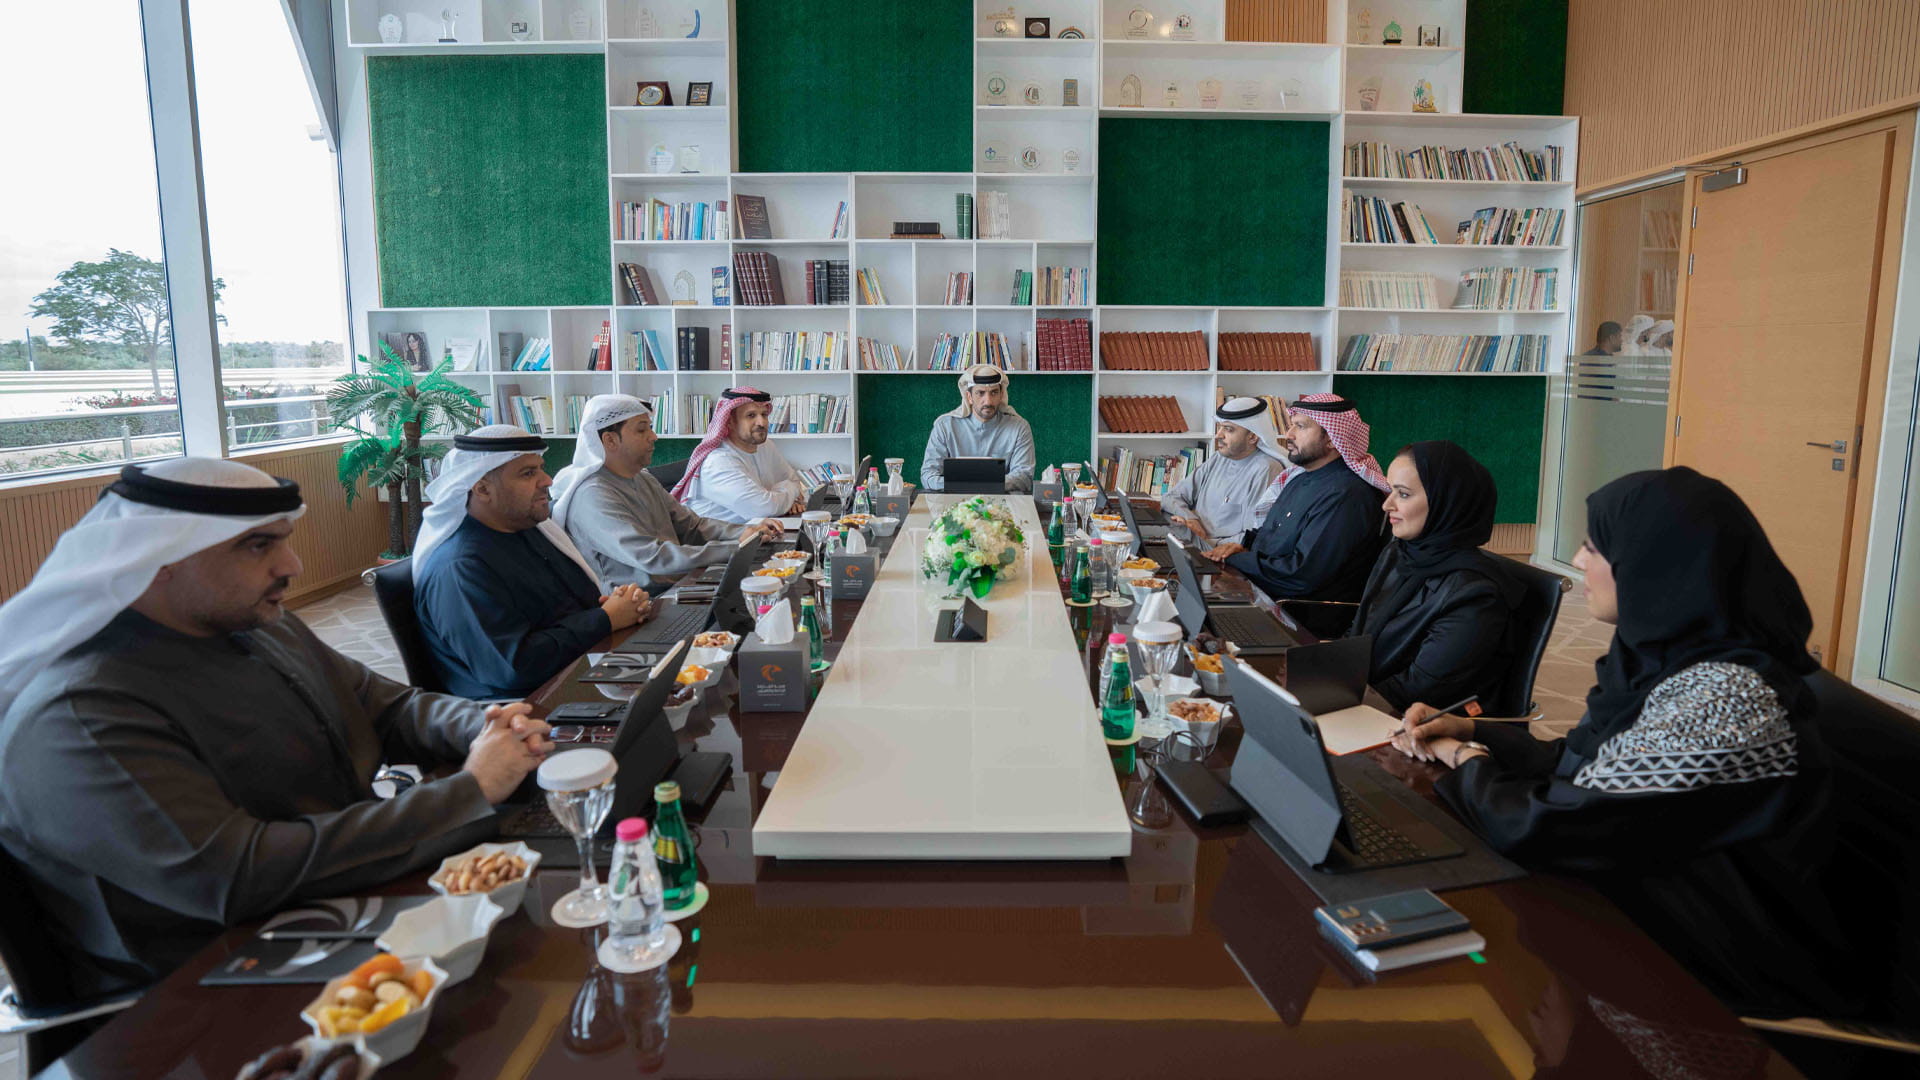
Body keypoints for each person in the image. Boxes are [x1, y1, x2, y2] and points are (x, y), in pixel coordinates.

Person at [0, 458, 552, 997]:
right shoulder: (81, 711)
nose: (292, 565)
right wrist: (470, 790)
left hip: (341, 897)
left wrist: (487, 725)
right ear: (161, 558)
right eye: (258, 545)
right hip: (211, 987)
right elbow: (238, 873)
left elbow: (384, 703)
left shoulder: (257, 625)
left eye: (283, 540)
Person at [1392, 467, 1859, 1019]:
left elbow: (1548, 825)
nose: (1578, 560)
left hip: (1704, 981)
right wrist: (1473, 730)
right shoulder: (1659, 655)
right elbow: (1584, 764)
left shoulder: (1728, 697)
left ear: (1656, 562)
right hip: (1636, 900)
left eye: (1595, 547)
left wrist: (1464, 759)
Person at [414, 426, 649, 699]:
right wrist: (605, 619)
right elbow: (515, 667)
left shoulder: (528, 530)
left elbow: (580, 605)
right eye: (528, 473)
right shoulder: (460, 568)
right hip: (524, 708)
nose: (547, 480)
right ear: (483, 489)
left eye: (541, 469)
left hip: (581, 674)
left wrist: (619, 605)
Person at [1348, 441, 1523, 712]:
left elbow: (1416, 691)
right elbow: (1360, 630)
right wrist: (1319, 673)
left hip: (1407, 722)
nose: (1386, 505)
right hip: (1364, 694)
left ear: (1447, 502)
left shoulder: (1475, 595)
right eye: (1390, 491)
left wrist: (1333, 696)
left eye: (1403, 494)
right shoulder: (1399, 553)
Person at [553, 394, 780, 591]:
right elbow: (654, 557)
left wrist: (744, 532)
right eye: (642, 429)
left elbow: (692, 526)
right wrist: (737, 548)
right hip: (644, 605)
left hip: (680, 584)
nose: (653, 436)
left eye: (650, 428)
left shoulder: (642, 478)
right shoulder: (592, 495)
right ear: (610, 440)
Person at [1205, 394, 1387, 603]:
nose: (1289, 434)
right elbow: (1272, 535)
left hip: (1298, 611)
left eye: (1300, 426)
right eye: (1291, 425)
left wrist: (1236, 559)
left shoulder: (1348, 494)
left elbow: (1300, 576)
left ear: (1331, 438)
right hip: (1263, 590)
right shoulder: (1299, 478)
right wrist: (1239, 546)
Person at [1159, 397, 1293, 547]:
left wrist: (1204, 542)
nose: (1219, 435)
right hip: (1193, 542)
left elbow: (1251, 535)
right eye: (1220, 427)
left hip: (1221, 552)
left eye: (1228, 429)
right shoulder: (1218, 458)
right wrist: (1191, 519)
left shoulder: (1266, 469)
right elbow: (1171, 497)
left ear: (1253, 437)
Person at [674, 387, 807, 523]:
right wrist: (789, 493)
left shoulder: (765, 446)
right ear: (729, 421)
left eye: (764, 415)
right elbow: (764, 508)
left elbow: (794, 481)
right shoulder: (718, 461)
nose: (761, 423)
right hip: (721, 536)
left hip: (757, 530)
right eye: (751, 415)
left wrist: (788, 502)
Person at [920, 363, 1036, 493]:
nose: (988, 401)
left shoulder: (1019, 427)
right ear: (969, 397)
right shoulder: (945, 426)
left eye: (994, 393)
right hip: (953, 501)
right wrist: (972, 485)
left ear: (1001, 395)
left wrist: (973, 484)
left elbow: (1024, 477)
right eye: (980, 393)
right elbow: (928, 475)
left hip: (1002, 502)